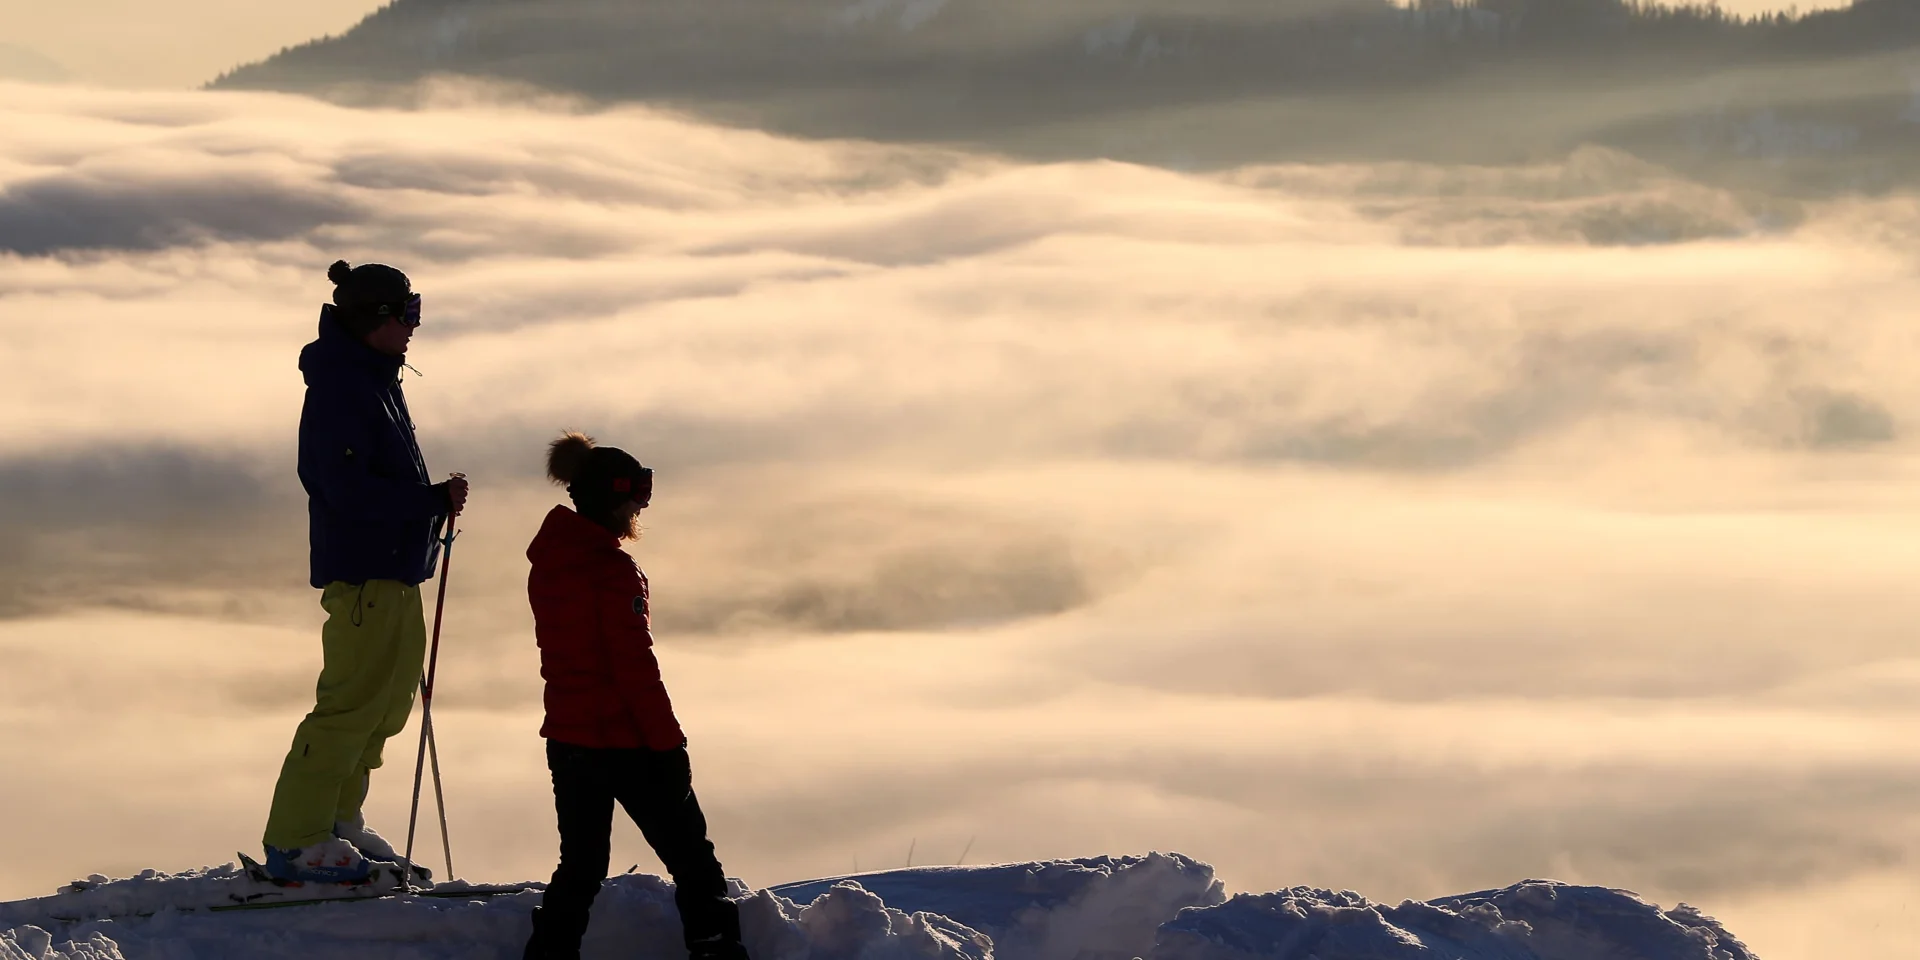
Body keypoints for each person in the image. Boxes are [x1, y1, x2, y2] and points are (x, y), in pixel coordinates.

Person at [260, 259, 470, 883]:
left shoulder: (374, 378)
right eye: (409, 313)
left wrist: (429, 505)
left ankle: (338, 820)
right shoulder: (343, 386)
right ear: (377, 317)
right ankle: (297, 838)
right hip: (364, 575)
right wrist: (429, 501)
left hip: (395, 572)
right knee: (351, 705)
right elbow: (344, 489)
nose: (414, 326)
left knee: (386, 705)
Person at [522, 432, 748, 960]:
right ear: (612, 498)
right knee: (694, 860)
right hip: (628, 742)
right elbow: (634, 670)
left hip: (569, 739)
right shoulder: (610, 570)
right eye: (637, 496)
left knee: (581, 867)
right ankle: (716, 950)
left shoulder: (551, 561)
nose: (640, 508)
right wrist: (669, 746)